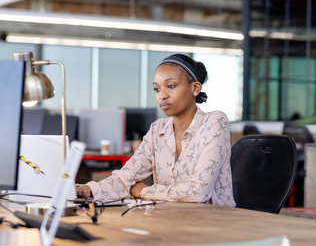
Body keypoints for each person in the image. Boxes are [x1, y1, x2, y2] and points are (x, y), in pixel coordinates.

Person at [77, 54, 235, 207]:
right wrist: (88, 190)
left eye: (171, 86)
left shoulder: (214, 122)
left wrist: (145, 191)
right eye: (156, 89)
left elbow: (198, 192)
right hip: (172, 220)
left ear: (195, 88)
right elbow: (127, 176)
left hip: (214, 222)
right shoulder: (157, 130)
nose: (162, 96)